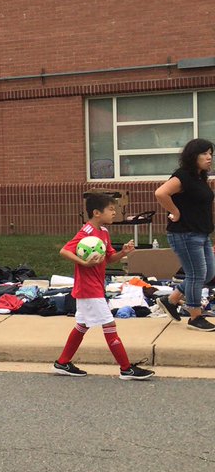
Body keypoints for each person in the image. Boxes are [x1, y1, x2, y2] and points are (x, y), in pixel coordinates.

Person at [53, 193, 154, 380]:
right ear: (97, 213)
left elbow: (108, 259)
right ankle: (126, 368)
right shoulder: (87, 232)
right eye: (111, 209)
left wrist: (123, 251)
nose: (114, 213)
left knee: (82, 325)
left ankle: (63, 362)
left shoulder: (104, 233)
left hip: (95, 287)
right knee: (109, 324)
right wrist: (83, 263)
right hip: (88, 288)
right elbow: (65, 250)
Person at [154, 138, 215, 331]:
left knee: (209, 273)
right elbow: (161, 193)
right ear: (192, 156)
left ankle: (171, 300)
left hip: (201, 233)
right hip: (185, 234)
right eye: (204, 153)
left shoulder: (200, 177)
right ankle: (195, 317)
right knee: (196, 275)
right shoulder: (183, 176)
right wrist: (176, 212)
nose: (209, 157)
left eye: (211, 153)